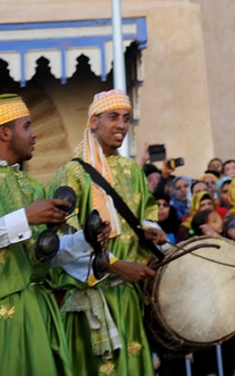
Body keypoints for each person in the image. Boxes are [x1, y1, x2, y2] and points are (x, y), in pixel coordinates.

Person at [0, 95, 97, 376]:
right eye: (26, 126)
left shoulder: (29, 185)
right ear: (4, 132)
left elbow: (40, 255)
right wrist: (24, 218)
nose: (34, 134)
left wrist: (85, 239)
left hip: (35, 314)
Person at [53, 91, 166, 376]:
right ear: (93, 121)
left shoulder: (132, 169)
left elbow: (146, 211)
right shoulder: (73, 173)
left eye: (126, 118)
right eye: (113, 117)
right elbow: (63, 238)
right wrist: (116, 265)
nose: (121, 125)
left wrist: (152, 230)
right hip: (92, 297)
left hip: (129, 297)